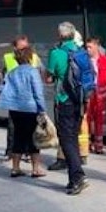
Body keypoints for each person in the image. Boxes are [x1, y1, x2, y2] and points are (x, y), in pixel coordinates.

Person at [46, 22, 89, 195]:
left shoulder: (56, 53)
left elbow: (49, 79)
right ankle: (73, 180)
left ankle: (78, 176)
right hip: (80, 100)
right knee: (74, 137)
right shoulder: (82, 52)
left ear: (60, 35)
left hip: (64, 100)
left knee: (66, 140)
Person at [0, 45, 48, 178]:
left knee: (18, 137)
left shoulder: (12, 72)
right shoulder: (32, 72)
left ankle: (15, 168)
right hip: (30, 109)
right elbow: (38, 93)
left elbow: (2, 87)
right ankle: (35, 169)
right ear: (30, 57)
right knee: (33, 138)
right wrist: (42, 109)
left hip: (15, 109)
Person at [0, 35, 42, 158]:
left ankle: (27, 152)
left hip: (29, 99)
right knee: (13, 128)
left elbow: (40, 72)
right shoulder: (7, 57)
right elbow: (0, 71)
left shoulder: (34, 57)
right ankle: (11, 151)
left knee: (30, 130)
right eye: (21, 47)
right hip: (15, 98)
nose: (24, 49)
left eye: (26, 46)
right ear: (14, 47)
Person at [84, 37, 106, 154]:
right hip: (88, 93)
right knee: (86, 119)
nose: (87, 50)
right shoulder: (84, 61)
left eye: (90, 47)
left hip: (100, 95)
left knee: (99, 120)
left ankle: (99, 145)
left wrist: (103, 88)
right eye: (86, 47)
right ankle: (86, 144)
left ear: (97, 46)